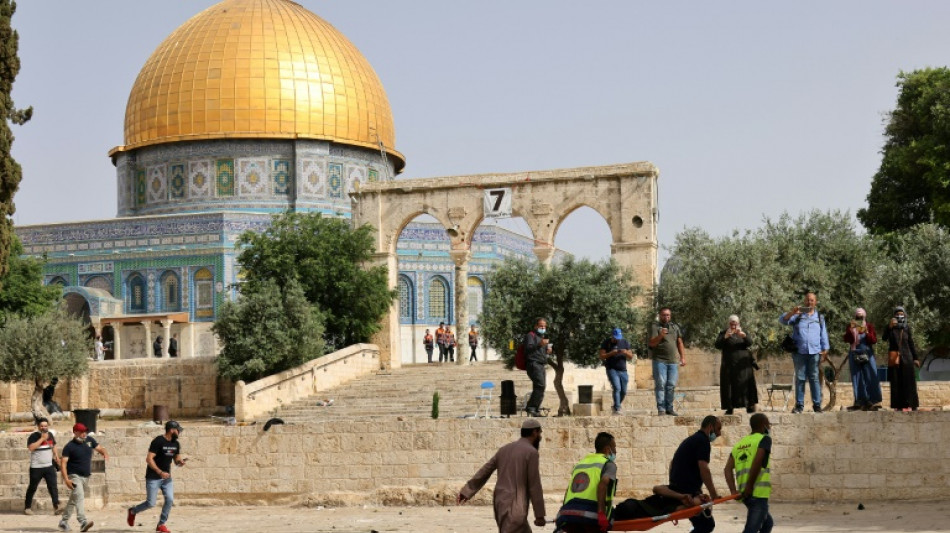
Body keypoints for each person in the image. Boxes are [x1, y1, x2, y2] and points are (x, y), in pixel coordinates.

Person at [458, 419, 546, 532]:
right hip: (515, 504)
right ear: (534, 432)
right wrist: (539, 515)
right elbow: (534, 485)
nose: (540, 437)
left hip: (500, 501)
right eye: (540, 433)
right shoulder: (531, 452)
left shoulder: (504, 449)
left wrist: (467, 490)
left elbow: (485, 470)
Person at [666, 415, 722, 533]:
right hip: (687, 492)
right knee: (706, 525)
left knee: (704, 524)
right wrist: (713, 494)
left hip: (680, 488)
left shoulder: (692, 439)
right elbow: (704, 468)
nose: (719, 434)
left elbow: (672, 463)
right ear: (710, 427)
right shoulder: (703, 441)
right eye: (718, 429)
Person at [128, 421, 187, 533]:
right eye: (178, 430)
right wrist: (160, 472)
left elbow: (176, 459)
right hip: (153, 477)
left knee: (169, 499)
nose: (179, 432)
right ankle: (133, 511)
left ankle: (161, 524)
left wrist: (180, 462)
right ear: (171, 430)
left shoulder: (176, 444)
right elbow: (149, 459)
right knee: (150, 503)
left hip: (166, 478)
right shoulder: (158, 441)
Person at [554, 432, 617, 533]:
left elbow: (568, 490)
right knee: (613, 514)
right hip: (589, 514)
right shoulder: (609, 464)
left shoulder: (580, 464)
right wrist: (601, 513)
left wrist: (563, 511)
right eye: (614, 447)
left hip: (567, 512)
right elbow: (602, 485)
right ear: (607, 449)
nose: (615, 451)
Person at [779, 292, 829, 413]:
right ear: (804, 301)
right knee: (800, 378)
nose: (809, 302)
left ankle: (817, 405)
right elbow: (782, 320)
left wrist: (825, 349)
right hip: (799, 352)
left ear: (815, 302)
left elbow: (823, 334)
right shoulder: (797, 316)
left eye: (812, 300)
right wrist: (793, 312)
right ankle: (799, 406)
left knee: (814, 378)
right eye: (807, 300)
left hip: (815, 352)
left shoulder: (819, 317)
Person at [724, 413, 774, 533]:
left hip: (745, 494)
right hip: (757, 492)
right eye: (768, 424)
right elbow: (758, 460)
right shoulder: (764, 439)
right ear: (763, 425)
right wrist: (749, 486)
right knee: (751, 530)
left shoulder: (740, 444)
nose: (770, 427)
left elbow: (727, 469)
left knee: (768, 523)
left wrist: (733, 491)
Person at [59, 423, 108, 532]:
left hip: (86, 477)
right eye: (81, 432)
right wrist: (66, 479)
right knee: (79, 496)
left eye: (85, 431)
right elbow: (63, 464)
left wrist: (104, 453)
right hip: (74, 476)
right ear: (75, 432)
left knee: (74, 499)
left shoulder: (89, 440)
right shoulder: (69, 447)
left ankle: (63, 522)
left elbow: (99, 448)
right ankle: (83, 522)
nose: (84, 433)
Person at [715, 315, 758, 415]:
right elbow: (717, 345)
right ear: (729, 324)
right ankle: (729, 408)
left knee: (745, 385)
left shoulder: (743, 332)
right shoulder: (723, 333)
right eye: (732, 323)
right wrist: (725, 337)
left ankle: (749, 406)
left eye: (735, 323)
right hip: (729, 365)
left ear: (738, 323)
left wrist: (743, 335)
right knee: (729, 386)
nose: (733, 325)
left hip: (743, 365)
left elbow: (750, 343)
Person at [842, 308, 883, 411]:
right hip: (854, 352)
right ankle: (860, 401)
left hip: (867, 353)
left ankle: (873, 401)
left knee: (871, 376)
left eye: (861, 316)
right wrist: (851, 331)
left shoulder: (869, 326)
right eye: (857, 316)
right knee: (857, 377)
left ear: (864, 316)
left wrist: (867, 332)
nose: (859, 318)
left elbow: (873, 340)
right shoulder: (851, 326)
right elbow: (846, 339)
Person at [648, 308, 686, 416]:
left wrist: (683, 357)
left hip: (673, 361)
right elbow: (651, 343)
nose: (666, 317)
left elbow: (679, 343)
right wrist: (661, 335)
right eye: (664, 315)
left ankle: (669, 408)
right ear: (660, 315)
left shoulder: (675, 327)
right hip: (659, 361)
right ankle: (661, 408)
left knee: (671, 385)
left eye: (668, 315)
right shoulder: (655, 327)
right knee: (660, 384)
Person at [884, 306, 920, 411]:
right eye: (897, 314)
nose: (899, 316)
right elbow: (884, 338)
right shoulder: (890, 327)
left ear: (904, 315)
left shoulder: (907, 328)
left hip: (907, 357)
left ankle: (913, 405)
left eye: (901, 314)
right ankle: (898, 406)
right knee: (896, 382)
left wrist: (915, 358)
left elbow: (911, 343)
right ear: (894, 315)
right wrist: (889, 328)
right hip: (895, 358)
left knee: (910, 382)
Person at [24, 417, 62, 515]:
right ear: (38, 426)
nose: (44, 427)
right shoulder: (33, 436)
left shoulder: (50, 435)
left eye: (45, 426)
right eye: (42, 426)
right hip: (36, 467)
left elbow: (53, 446)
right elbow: (31, 448)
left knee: (53, 486)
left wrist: (57, 457)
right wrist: (42, 439)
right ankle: (27, 507)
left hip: (49, 466)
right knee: (32, 487)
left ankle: (56, 507)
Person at [599, 328, 633, 415]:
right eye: (616, 338)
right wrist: (611, 353)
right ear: (612, 336)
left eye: (619, 338)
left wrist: (625, 352)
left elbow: (631, 356)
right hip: (611, 369)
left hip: (623, 370)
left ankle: (615, 406)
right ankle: (617, 408)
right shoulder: (606, 343)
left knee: (624, 391)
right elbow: (602, 356)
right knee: (617, 388)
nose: (617, 339)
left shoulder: (625, 342)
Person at [524, 318, 552, 417]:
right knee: (540, 385)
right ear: (536, 326)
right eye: (541, 326)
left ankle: (535, 409)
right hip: (533, 364)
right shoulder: (530, 336)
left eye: (544, 326)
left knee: (541, 386)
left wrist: (547, 351)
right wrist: (540, 344)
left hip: (541, 364)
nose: (543, 328)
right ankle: (531, 407)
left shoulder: (542, 337)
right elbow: (528, 348)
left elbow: (540, 351)